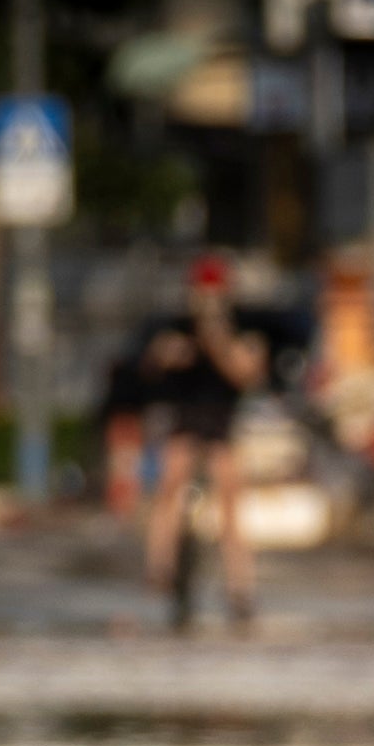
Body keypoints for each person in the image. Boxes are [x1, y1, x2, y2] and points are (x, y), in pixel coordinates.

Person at [140, 254, 267, 631]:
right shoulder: (176, 327)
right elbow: (150, 364)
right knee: (171, 482)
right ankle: (159, 567)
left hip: (221, 425)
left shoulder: (242, 329)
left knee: (230, 498)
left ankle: (239, 586)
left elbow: (247, 373)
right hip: (185, 422)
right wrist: (166, 356)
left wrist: (218, 341)